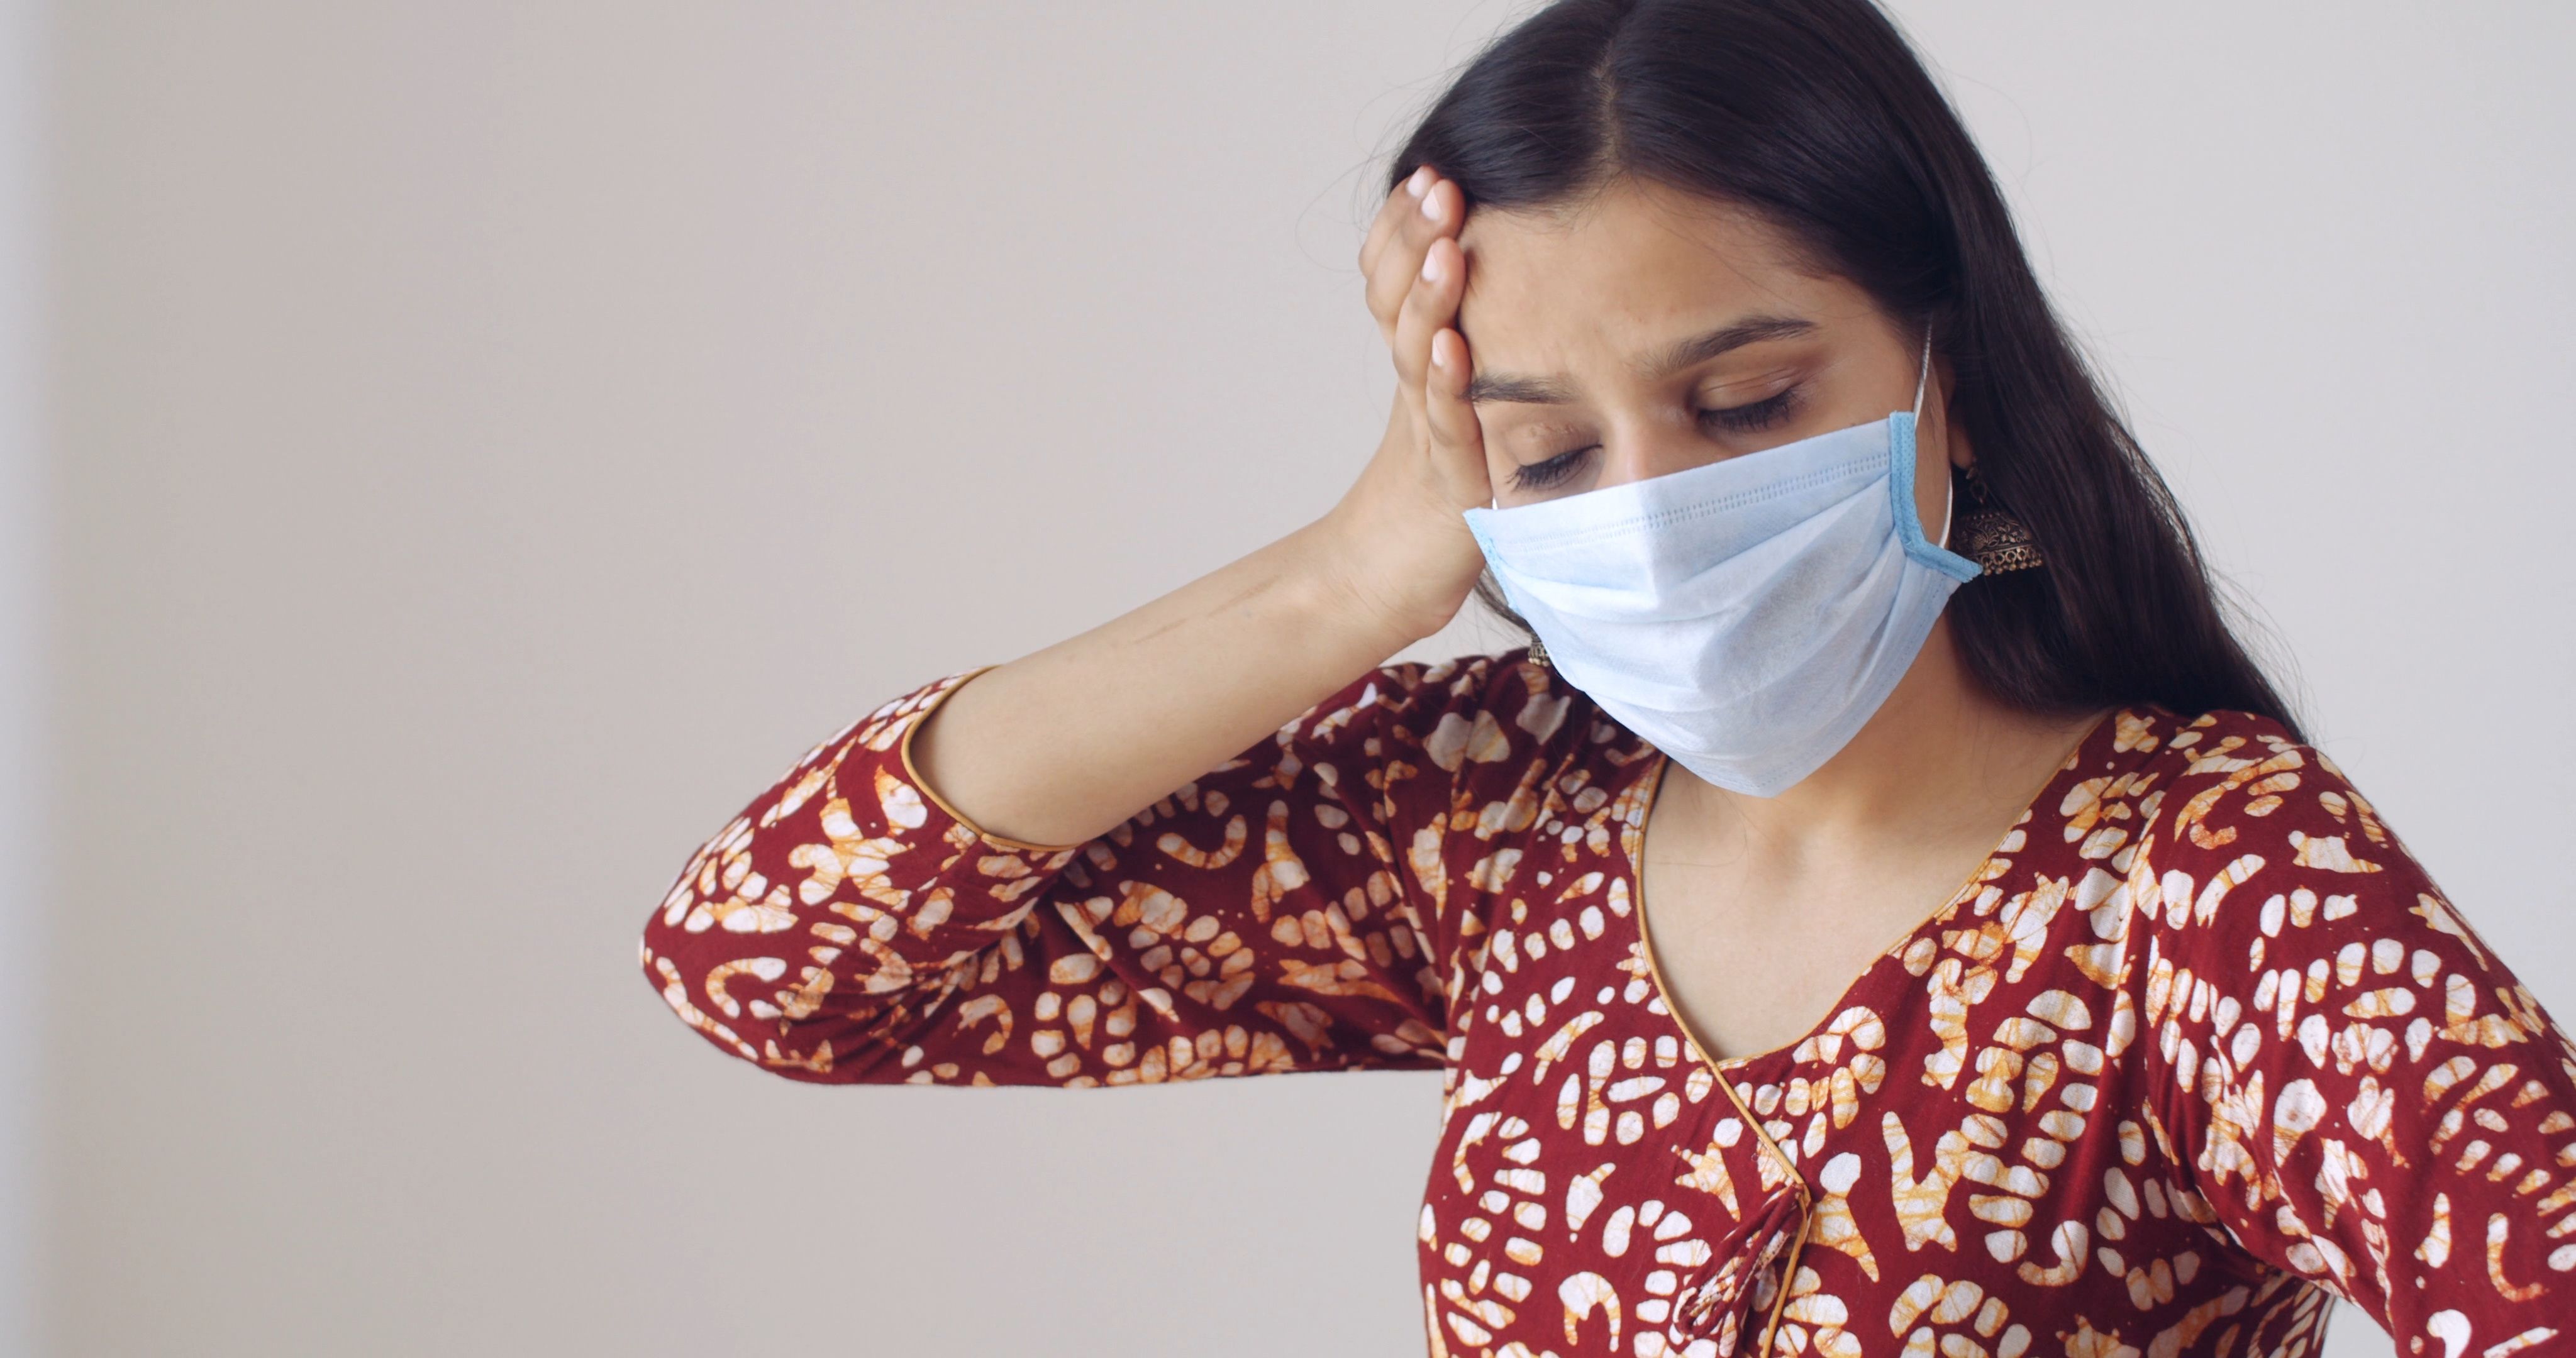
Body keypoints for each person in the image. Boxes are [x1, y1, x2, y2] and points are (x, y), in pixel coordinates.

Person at [637, 2, 2576, 1354]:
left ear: (1954, 375)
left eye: (1747, 404)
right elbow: (774, 962)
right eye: (1551, 452)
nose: (1652, 516)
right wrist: (1348, 576)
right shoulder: (1504, 814)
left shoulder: (2208, 886)